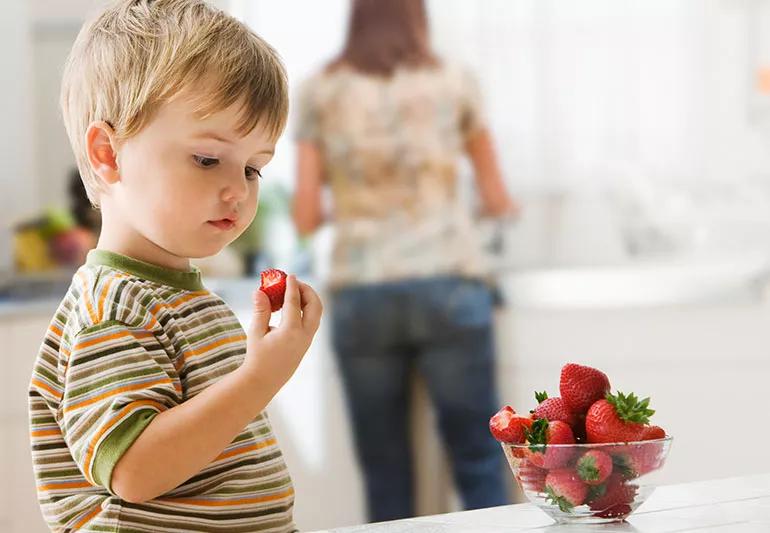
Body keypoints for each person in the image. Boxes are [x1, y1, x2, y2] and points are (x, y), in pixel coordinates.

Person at [27, 1, 322, 531]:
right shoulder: (113, 308)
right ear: (108, 155)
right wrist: (262, 374)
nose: (238, 189)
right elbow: (135, 470)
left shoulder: (181, 298)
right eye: (208, 159)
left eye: (254, 167)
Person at [293, 0, 518, 522]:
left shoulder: (320, 90)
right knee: (479, 460)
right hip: (450, 284)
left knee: (386, 473)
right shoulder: (455, 81)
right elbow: (496, 196)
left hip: (362, 292)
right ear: (418, 18)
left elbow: (305, 214)